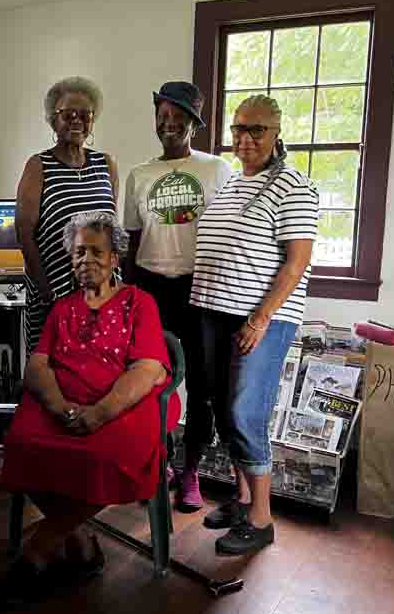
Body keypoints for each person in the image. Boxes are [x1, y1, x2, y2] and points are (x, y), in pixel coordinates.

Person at [0, 211, 179, 611]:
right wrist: (59, 406)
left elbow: (148, 368)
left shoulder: (139, 302)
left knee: (106, 455)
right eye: (79, 252)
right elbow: (38, 365)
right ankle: (79, 540)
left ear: (115, 258)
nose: (86, 260)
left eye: (97, 251)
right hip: (65, 402)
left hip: (125, 402)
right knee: (24, 442)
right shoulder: (63, 308)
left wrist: (99, 412)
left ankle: (36, 552)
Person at [181, 94, 319, 556]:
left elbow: (296, 263)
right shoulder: (233, 183)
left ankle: (262, 518)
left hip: (257, 319)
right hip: (212, 310)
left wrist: (261, 319)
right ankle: (242, 500)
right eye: (239, 129)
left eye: (257, 130)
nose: (246, 139)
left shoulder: (294, 186)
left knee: (245, 413)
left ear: (277, 132)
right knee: (222, 409)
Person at [121, 81, 231, 507]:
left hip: (201, 287)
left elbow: (230, 230)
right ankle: (158, 459)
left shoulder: (216, 169)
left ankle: (191, 472)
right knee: (150, 380)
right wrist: (129, 296)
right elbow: (131, 239)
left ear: (193, 124)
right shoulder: (139, 175)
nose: (169, 124)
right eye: (162, 116)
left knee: (203, 384)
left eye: (178, 117)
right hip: (151, 287)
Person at [16, 77, 118, 357]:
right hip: (53, 292)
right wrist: (47, 293)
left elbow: (111, 230)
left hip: (102, 294)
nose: (76, 120)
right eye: (67, 114)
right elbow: (24, 234)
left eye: (84, 114)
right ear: (52, 119)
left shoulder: (106, 164)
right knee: (52, 375)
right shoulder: (39, 166)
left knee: (99, 369)